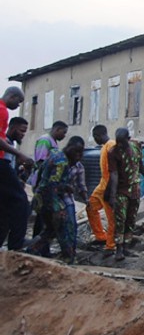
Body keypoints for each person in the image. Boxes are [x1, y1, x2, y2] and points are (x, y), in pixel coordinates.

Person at [27, 136, 85, 263]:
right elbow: (52, 186)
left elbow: (42, 176)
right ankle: (68, 258)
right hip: (50, 201)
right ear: (69, 148)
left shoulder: (55, 155)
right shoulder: (61, 162)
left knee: (50, 230)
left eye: (81, 153)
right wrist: (57, 208)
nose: (78, 156)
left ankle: (30, 251)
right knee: (64, 228)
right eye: (76, 152)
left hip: (41, 198)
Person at [106, 128, 144, 261]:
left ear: (128, 139)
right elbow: (114, 174)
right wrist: (112, 194)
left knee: (131, 219)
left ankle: (127, 247)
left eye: (122, 142)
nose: (120, 145)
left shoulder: (136, 147)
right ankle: (119, 249)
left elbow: (140, 164)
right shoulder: (113, 152)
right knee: (120, 219)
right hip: (121, 190)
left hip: (135, 189)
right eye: (118, 142)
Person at [0, 87, 32, 251]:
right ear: (11, 96)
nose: (18, 105)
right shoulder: (2, 110)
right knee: (21, 202)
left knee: (5, 207)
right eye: (18, 102)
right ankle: (17, 244)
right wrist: (19, 154)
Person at [86, 125, 117, 254]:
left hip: (109, 186)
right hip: (102, 184)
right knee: (90, 206)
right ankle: (100, 236)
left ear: (97, 136)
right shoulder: (105, 146)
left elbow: (114, 170)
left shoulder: (111, 146)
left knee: (111, 217)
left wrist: (112, 192)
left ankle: (111, 245)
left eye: (94, 137)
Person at [30, 120, 68, 188]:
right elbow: (40, 161)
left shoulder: (53, 141)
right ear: (57, 129)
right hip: (41, 179)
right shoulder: (45, 140)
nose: (64, 136)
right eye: (64, 132)